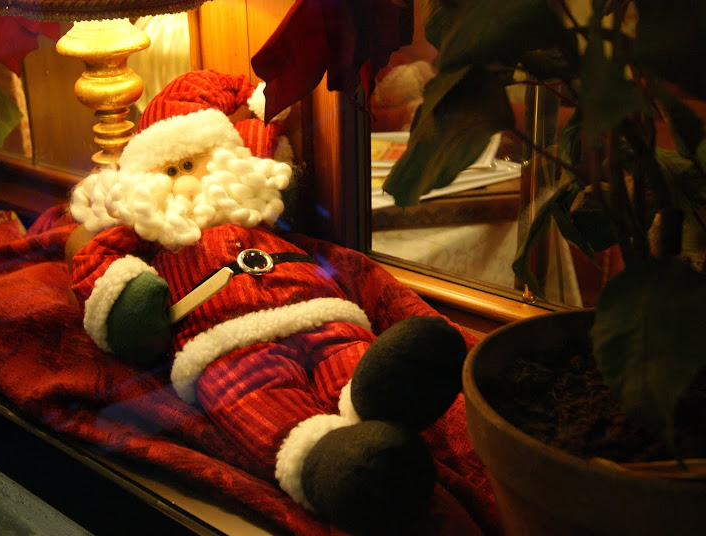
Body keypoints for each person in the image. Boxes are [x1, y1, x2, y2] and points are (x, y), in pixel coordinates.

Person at [67, 70, 467, 533]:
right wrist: (129, 300)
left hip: (318, 310)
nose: (186, 181)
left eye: (193, 163)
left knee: (348, 354)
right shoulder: (147, 234)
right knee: (255, 397)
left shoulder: (251, 197)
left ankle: (380, 398)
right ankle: (331, 462)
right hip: (225, 342)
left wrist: (259, 97)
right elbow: (96, 266)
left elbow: (266, 139)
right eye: (170, 171)